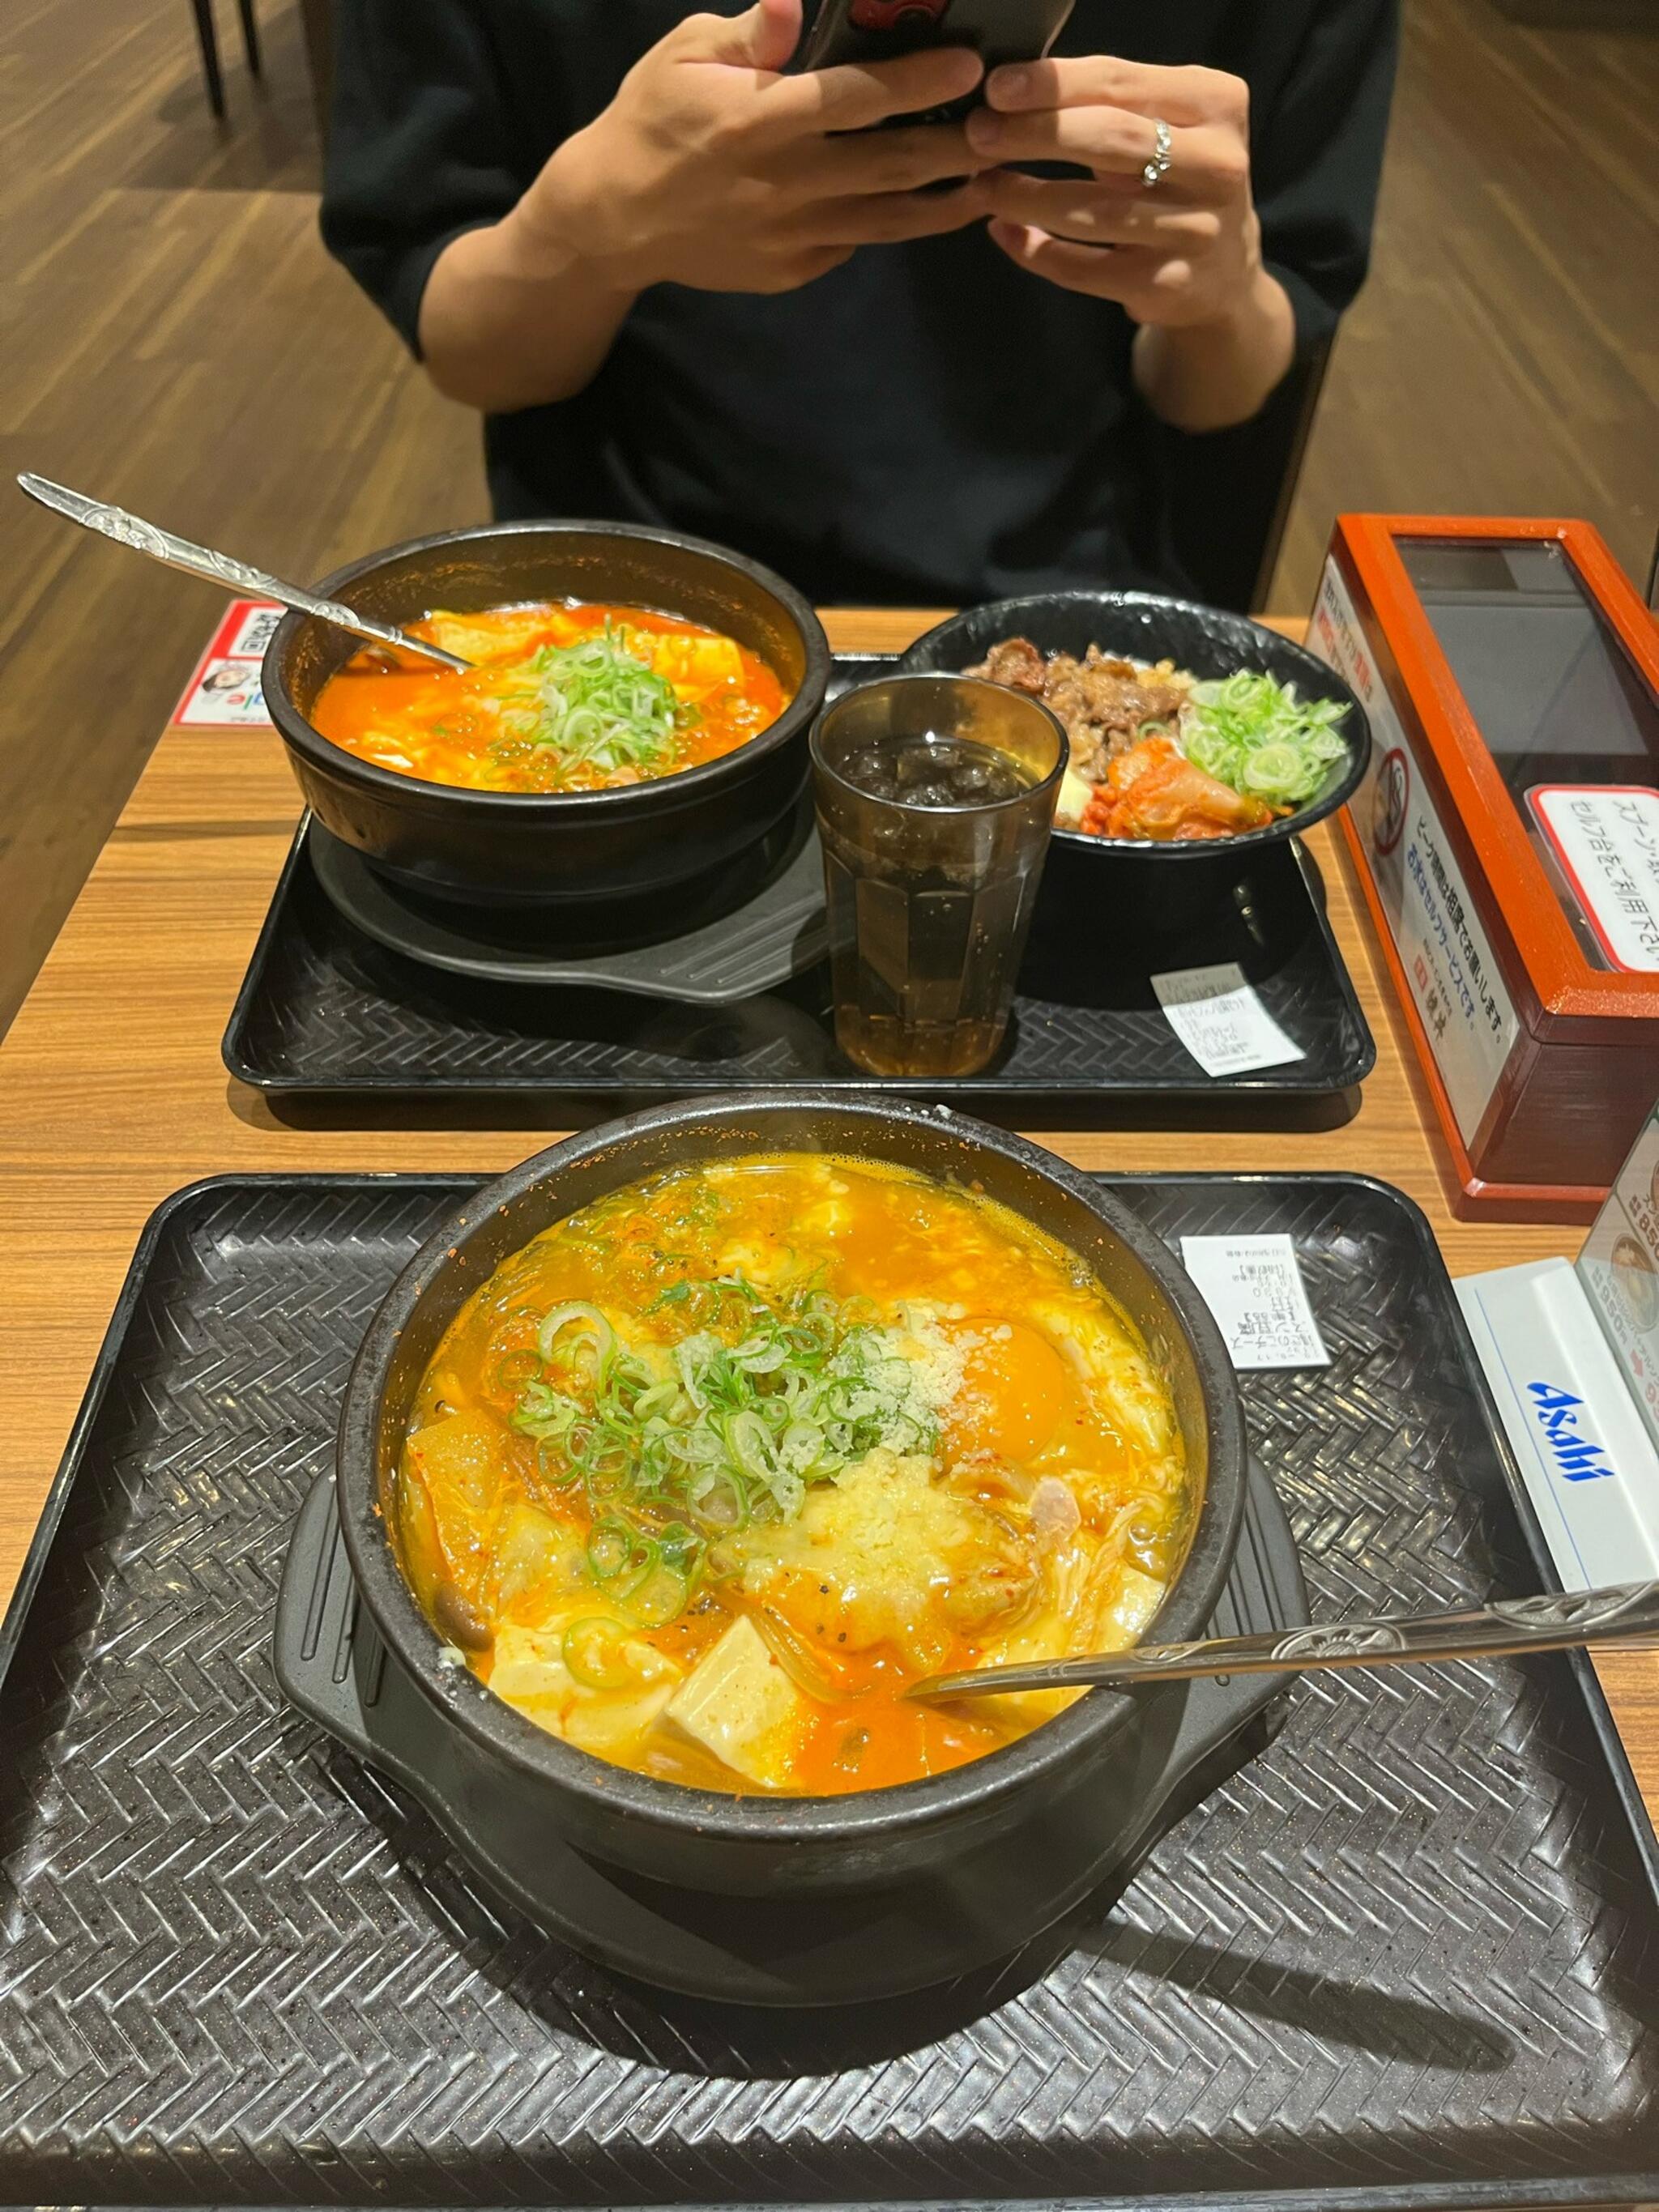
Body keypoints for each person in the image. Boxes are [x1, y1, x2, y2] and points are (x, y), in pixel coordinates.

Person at [322, 0, 1397, 607]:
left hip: (1051, 610)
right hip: (625, 599)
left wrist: (1210, 293)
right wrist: (584, 237)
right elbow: (471, 349)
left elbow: (1226, 391)